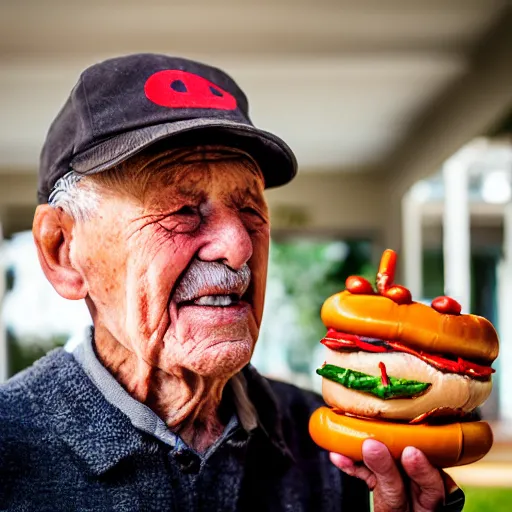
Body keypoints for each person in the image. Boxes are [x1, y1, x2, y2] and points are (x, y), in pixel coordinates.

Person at [0, 54, 464, 511]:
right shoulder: (10, 446)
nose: (238, 246)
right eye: (182, 210)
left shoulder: (340, 443)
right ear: (63, 250)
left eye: (250, 209)